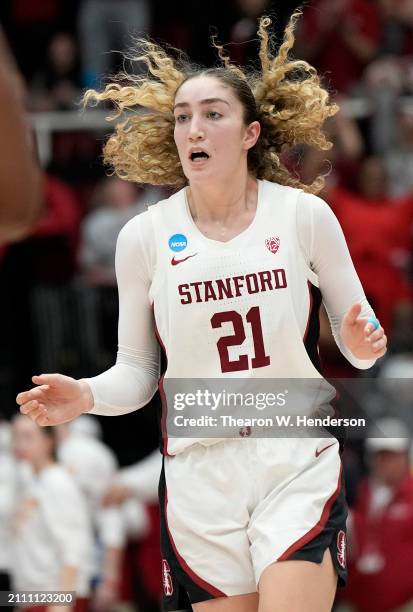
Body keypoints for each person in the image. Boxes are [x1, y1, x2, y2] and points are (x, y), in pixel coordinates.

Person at [17, 12, 388, 612]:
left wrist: (363, 342)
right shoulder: (143, 238)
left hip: (291, 453)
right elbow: (138, 373)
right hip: (198, 472)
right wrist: (87, 394)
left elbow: (360, 339)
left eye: (213, 114)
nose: (194, 127)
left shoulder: (302, 216)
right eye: (184, 116)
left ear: (249, 134)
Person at [11, 414, 94, 612]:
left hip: (56, 596)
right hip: (32, 595)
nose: (20, 444)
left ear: (48, 441)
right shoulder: (31, 480)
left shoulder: (58, 482)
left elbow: (74, 543)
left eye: (28, 436)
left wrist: (61, 604)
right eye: (15, 436)